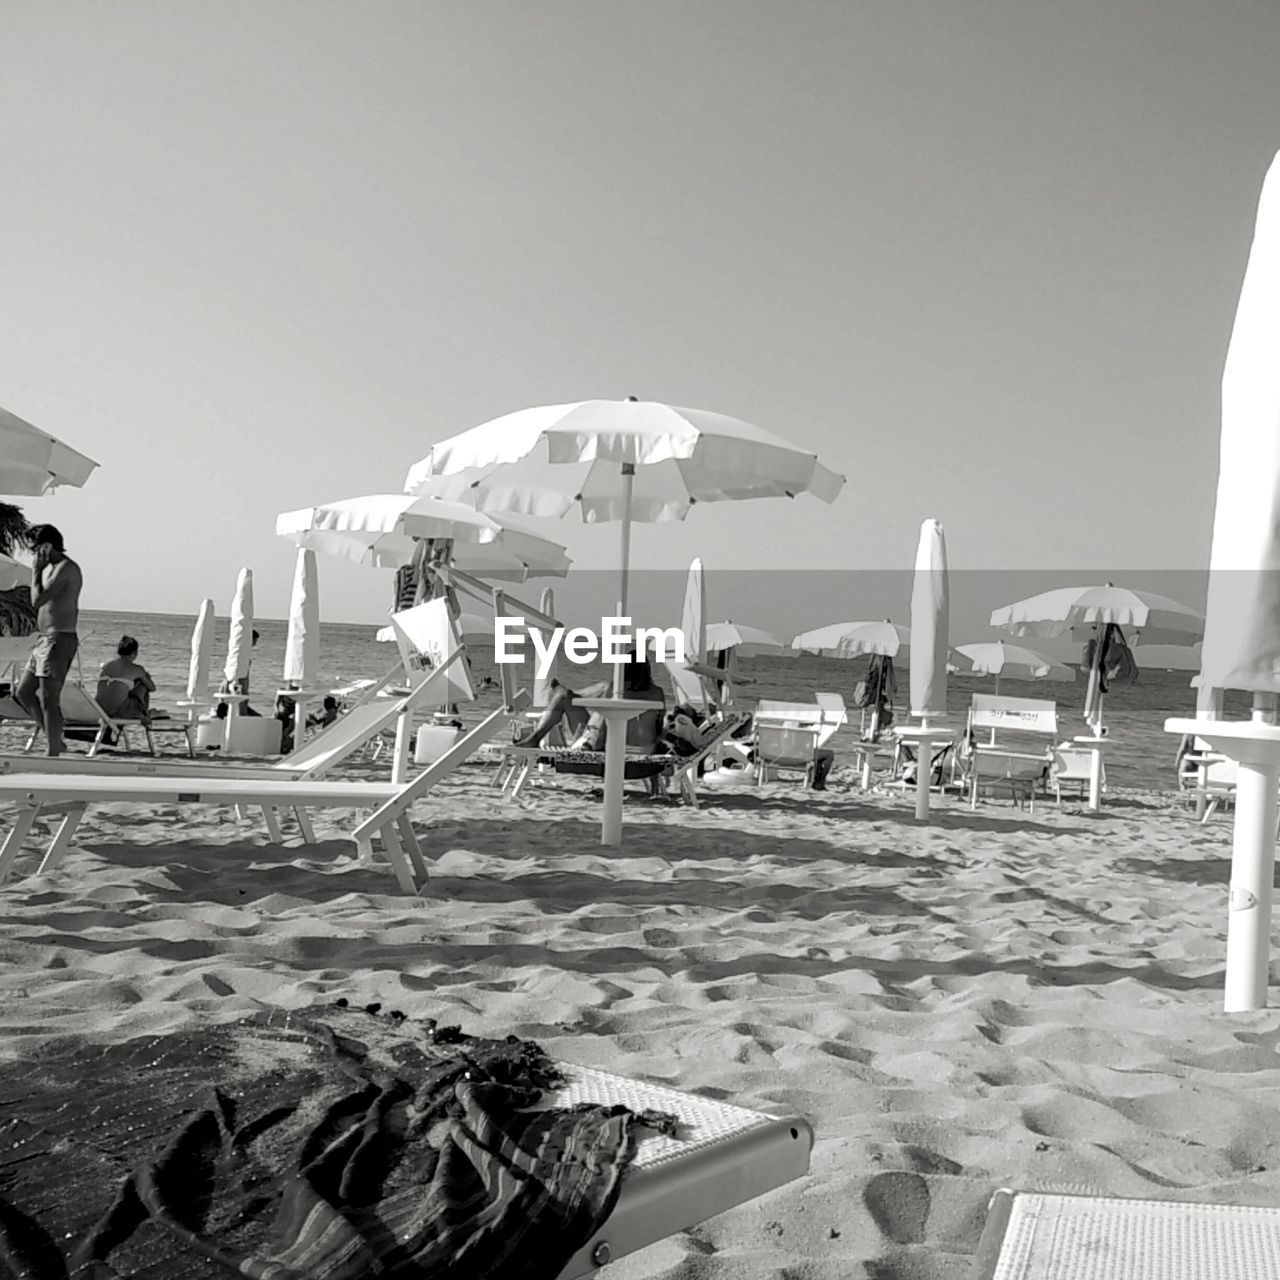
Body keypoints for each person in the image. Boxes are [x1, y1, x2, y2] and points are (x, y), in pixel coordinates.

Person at [16, 525, 83, 757]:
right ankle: (54, 739)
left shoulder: (65, 569)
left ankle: (53, 749)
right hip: (44, 640)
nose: (33, 553)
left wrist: (36, 571)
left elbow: (38, 600)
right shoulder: (54, 569)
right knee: (24, 692)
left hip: (59, 639)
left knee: (48, 698)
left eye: (35, 548)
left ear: (47, 546)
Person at [96, 635, 156, 720]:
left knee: (121, 686)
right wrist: (146, 677)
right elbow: (152, 688)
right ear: (135, 653)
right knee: (143, 684)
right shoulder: (137, 669)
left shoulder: (107, 665)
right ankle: (143, 715)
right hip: (118, 711)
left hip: (100, 709)